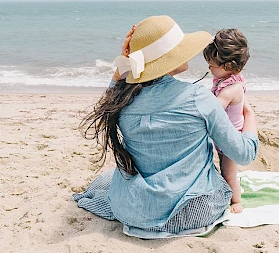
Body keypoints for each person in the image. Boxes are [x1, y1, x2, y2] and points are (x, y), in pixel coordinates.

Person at [73, 16, 258, 238]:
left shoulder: (121, 100)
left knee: (107, 181)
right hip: (192, 212)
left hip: (134, 208)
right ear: (168, 58)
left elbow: (109, 99)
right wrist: (250, 115)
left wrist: (122, 67)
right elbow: (245, 154)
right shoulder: (198, 98)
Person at [203, 29, 250, 213]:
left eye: (212, 65)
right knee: (223, 168)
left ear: (229, 66)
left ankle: (236, 200)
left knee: (229, 174)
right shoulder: (228, 79)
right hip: (223, 138)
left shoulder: (231, 90)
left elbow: (213, 109)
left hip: (231, 140)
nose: (209, 68)